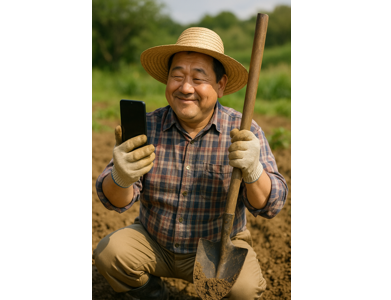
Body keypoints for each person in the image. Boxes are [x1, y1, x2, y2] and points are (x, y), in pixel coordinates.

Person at [94, 27, 287, 300]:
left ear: (220, 85)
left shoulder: (243, 130)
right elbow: (112, 200)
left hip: (215, 247)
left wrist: (254, 171)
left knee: (243, 290)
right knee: (110, 253)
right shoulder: (147, 126)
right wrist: (121, 177)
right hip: (155, 241)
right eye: (177, 76)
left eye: (198, 79)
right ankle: (154, 294)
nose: (185, 88)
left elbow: (272, 205)